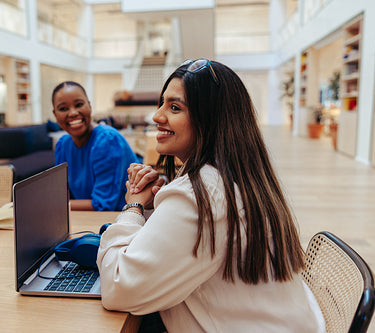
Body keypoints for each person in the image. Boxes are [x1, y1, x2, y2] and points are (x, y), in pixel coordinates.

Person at [97, 59, 322, 332]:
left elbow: (118, 288)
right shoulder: (240, 176)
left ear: (210, 120)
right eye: (162, 103)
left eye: (175, 107)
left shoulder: (201, 195)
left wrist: (133, 206)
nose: (157, 116)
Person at [52, 81, 138, 211]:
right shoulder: (63, 145)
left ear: (89, 106)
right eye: (63, 108)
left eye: (79, 105)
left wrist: (53, 205)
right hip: (83, 219)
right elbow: (62, 195)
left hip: (119, 218)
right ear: (55, 115)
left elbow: (103, 205)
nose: (73, 113)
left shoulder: (107, 141)